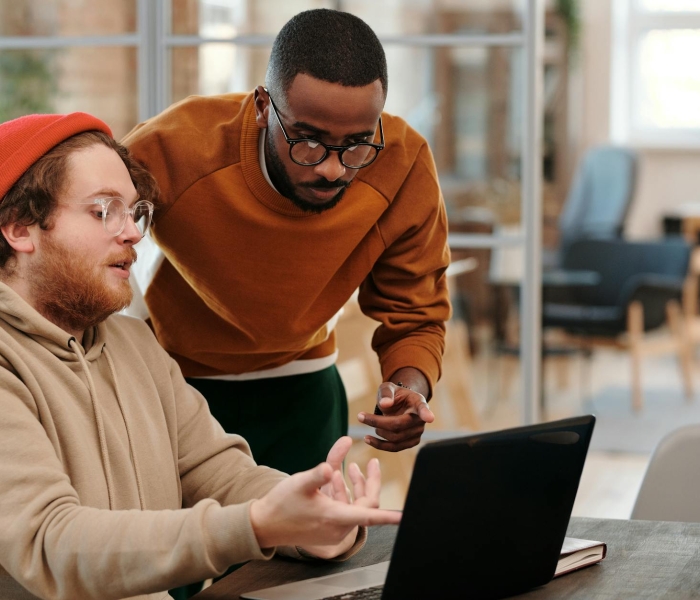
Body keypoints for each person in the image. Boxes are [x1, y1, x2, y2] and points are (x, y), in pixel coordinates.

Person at [0, 112, 401, 600]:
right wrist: (255, 525)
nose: (132, 233)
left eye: (135, 212)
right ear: (20, 228)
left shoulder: (135, 344)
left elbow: (218, 473)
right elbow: (51, 544)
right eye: (103, 210)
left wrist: (312, 520)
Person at [123, 8, 452, 474]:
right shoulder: (173, 148)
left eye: (357, 142)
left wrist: (410, 388)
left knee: (314, 545)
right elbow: (88, 245)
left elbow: (416, 311)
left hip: (305, 387)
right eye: (308, 139)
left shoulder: (404, 164)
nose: (332, 168)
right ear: (262, 107)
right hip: (177, 386)